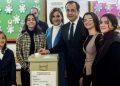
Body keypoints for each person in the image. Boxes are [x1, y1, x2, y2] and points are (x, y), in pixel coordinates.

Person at [39, 1, 87, 86]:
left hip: (83, 69)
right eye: (68, 10)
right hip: (69, 69)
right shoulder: (65, 27)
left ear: (78, 11)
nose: (70, 13)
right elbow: (61, 45)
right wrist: (48, 51)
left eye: (73, 10)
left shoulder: (85, 24)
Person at [16, 13, 46, 86]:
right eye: (28, 20)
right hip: (25, 69)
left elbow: (44, 50)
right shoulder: (21, 36)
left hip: (38, 67)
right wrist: (26, 67)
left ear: (36, 21)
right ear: (26, 22)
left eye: (33, 19)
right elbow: (18, 53)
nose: (31, 21)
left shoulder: (41, 35)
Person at [92, 13, 120, 86]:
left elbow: (115, 71)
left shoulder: (115, 42)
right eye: (101, 22)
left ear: (114, 25)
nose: (102, 25)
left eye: (106, 22)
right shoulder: (104, 39)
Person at [46, 7, 67, 86]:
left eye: (58, 16)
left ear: (61, 17)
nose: (56, 18)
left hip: (62, 62)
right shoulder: (48, 30)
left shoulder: (65, 29)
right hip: (50, 61)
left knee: (62, 82)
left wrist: (66, 67)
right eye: (53, 16)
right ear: (51, 18)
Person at [80, 12, 101, 86]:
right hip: (86, 72)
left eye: (90, 19)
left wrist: (95, 79)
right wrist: (83, 75)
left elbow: (100, 60)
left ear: (95, 21)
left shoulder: (99, 37)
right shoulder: (87, 37)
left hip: (94, 74)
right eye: (85, 20)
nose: (87, 22)